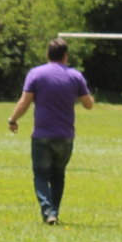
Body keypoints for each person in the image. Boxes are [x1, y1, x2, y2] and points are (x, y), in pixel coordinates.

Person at [8, 38, 94, 225]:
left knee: (41, 175)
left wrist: (13, 120)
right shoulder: (75, 76)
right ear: (65, 56)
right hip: (65, 136)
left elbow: (24, 103)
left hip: (42, 136)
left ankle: (48, 212)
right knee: (58, 175)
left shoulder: (35, 74)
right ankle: (53, 212)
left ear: (48, 54)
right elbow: (88, 104)